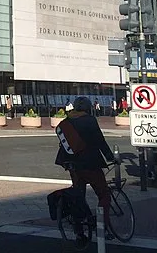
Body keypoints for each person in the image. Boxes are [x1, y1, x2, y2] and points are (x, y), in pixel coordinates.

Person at [54, 96, 115, 241]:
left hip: (73, 166)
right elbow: (100, 141)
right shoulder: (89, 120)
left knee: (78, 196)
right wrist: (111, 157)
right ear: (89, 108)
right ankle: (103, 227)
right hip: (90, 164)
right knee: (104, 194)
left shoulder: (66, 122)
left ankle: (79, 231)